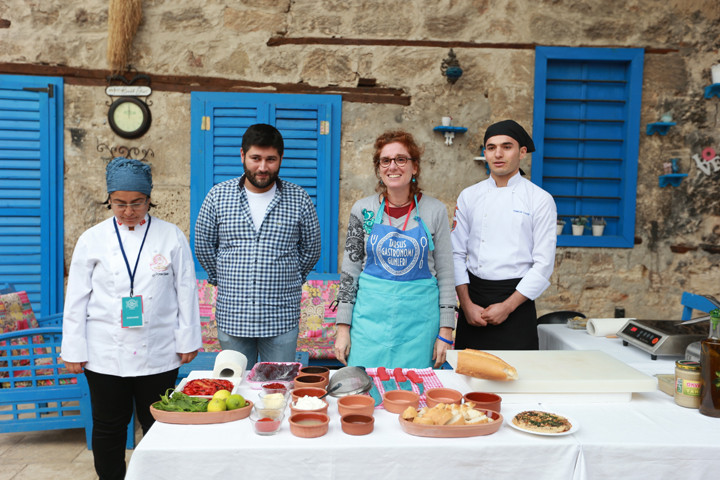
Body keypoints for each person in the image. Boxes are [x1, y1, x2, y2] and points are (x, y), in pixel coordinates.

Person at [61, 157, 202, 480]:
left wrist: (188, 340)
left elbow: (185, 292)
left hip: (159, 351)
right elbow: (77, 298)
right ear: (109, 199)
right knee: (109, 426)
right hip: (104, 353)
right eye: (119, 203)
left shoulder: (171, 236)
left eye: (136, 203)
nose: (128, 211)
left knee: (157, 424)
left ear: (149, 199)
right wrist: (73, 349)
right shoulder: (92, 239)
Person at [194, 123, 321, 368]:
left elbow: (311, 249)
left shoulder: (299, 198)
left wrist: (290, 276)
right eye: (255, 158)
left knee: (279, 388)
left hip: (280, 317)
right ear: (242, 155)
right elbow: (203, 245)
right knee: (236, 388)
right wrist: (223, 277)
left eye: (270, 159)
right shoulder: (218, 196)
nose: (262, 167)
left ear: (281, 158)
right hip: (233, 316)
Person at [334, 130, 455, 368]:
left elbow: (447, 275)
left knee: (415, 395)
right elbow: (350, 273)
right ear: (379, 169)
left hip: (419, 326)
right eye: (386, 161)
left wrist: (446, 331)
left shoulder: (435, 210)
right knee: (364, 394)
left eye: (401, 159)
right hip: (369, 325)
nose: (393, 167)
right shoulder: (362, 210)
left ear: (415, 167)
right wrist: (343, 328)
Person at [451, 119, 557, 350]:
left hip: (517, 302)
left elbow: (543, 265)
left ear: (522, 152)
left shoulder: (539, 199)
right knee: (468, 379)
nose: (498, 154)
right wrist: (466, 304)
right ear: (485, 153)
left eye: (506, 147)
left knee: (517, 379)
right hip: (474, 301)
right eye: (491, 147)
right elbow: (456, 254)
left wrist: (507, 307)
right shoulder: (469, 196)